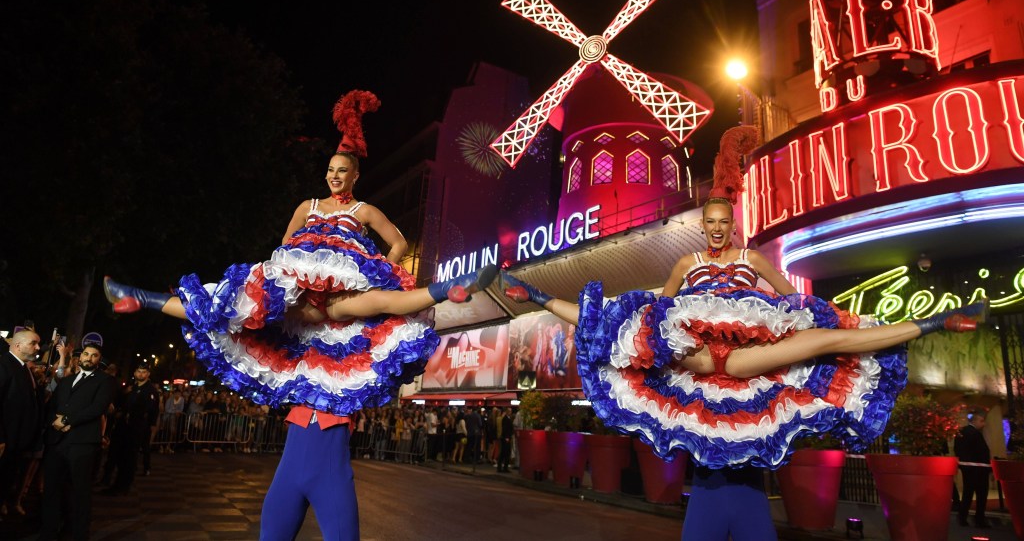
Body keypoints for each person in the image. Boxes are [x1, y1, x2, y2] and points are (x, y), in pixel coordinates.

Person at [498, 125, 986, 540]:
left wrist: (802, 322)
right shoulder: (686, 262)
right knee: (614, 324)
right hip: (694, 356)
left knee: (829, 338)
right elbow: (657, 312)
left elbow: (795, 303)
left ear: (732, 225)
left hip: (741, 359)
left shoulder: (752, 259)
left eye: (723, 223)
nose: (716, 229)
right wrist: (555, 302)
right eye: (709, 222)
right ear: (702, 225)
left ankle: (933, 322)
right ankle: (537, 295)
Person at [100, 91, 495, 541]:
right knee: (226, 308)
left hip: (340, 297)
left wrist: (382, 270)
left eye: (342, 171)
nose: (334, 176)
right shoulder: (307, 207)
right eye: (330, 170)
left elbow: (399, 243)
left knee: (379, 302)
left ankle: (450, 289)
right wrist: (275, 289)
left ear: (355, 175)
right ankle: (142, 297)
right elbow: (282, 251)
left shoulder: (363, 210)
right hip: (298, 298)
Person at [37, 342, 115, 541]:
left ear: (99, 359)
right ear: (80, 357)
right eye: (86, 354)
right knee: (52, 489)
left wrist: (66, 421)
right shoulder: (66, 381)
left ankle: (79, 534)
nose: (89, 358)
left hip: (82, 443)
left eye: (94, 355)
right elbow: (52, 406)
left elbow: (98, 408)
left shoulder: (105, 381)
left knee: (80, 491)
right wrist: (54, 423)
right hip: (57, 442)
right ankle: (48, 532)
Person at [0, 329, 41, 518]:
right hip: (5, 440)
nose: (38, 347)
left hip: (16, 441)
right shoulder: (4, 365)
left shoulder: (23, 368)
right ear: (17, 345)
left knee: (7, 478)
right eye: (33, 343)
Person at [103, 360, 161, 494]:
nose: (141, 374)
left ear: (148, 374)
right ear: (135, 373)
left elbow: (152, 410)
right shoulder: (131, 387)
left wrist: (150, 426)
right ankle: (115, 483)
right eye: (139, 371)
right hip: (123, 426)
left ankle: (123, 486)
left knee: (129, 458)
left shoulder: (150, 390)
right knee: (118, 455)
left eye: (144, 372)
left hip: (137, 427)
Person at [954, 408, 991, 528]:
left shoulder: (961, 432)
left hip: (967, 469)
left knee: (967, 493)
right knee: (981, 494)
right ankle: (979, 520)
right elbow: (982, 452)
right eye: (982, 421)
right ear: (975, 421)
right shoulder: (975, 434)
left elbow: (957, 450)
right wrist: (988, 467)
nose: (983, 424)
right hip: (979, 470)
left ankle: (962, 518)